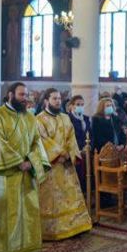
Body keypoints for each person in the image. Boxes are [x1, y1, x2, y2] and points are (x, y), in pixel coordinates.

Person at [0, 82, 49, 252]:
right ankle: (5, 251)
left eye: (26, 95)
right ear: (10, 95)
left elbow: (37, 142)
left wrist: (31, 162)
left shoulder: (29, 117)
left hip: (27, 171)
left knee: (28, 209)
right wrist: (18, 162)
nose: (25, 98)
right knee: (7, 212)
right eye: (21, 95)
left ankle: (28, 247)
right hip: (6, 172)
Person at [35, 89, 92, 241]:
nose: (58, 101)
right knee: (53, 198)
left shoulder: (65, 118)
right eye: (54, 99)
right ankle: (53, 229)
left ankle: (75, 226)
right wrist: (59, 154)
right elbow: (42, 140)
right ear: (46, 101)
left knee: (70, 194)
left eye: (59, 98)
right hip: (51, 166)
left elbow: (71, 139)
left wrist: (70, 154)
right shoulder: (39, 120)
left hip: (66, 164)